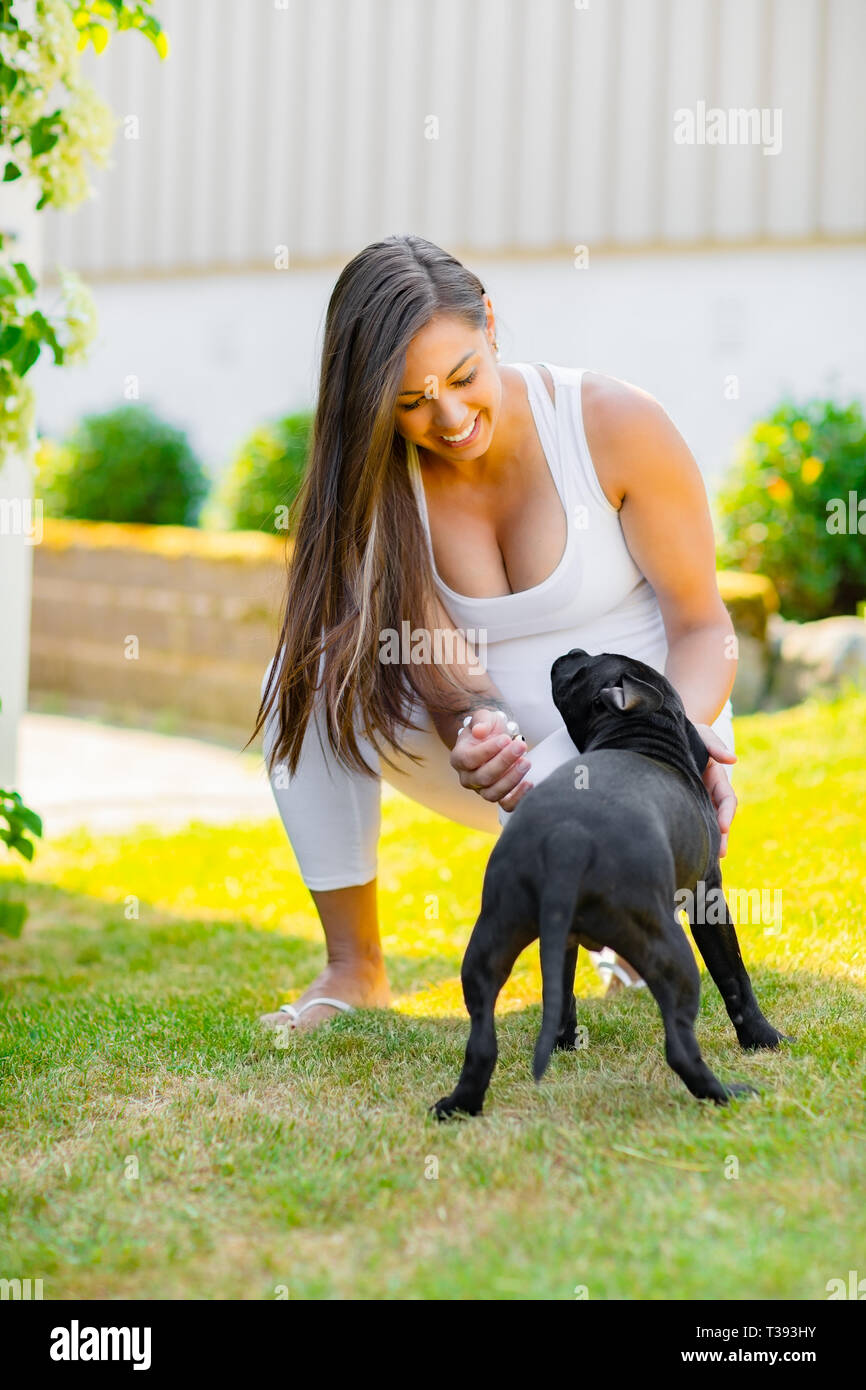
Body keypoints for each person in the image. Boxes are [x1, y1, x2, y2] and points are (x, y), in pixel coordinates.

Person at [249, 234, 738, 1032]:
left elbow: (704, 624)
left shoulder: (614, 423)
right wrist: (472, 728)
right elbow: (433, 659)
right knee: (298, 680)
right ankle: (354, 967)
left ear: (490, 323)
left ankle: (628, 915)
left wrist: (669, 739)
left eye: (464, 377)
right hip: (508, 769)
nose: (448, 418)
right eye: (410, 403)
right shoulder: (385, 481)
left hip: (638, 745)